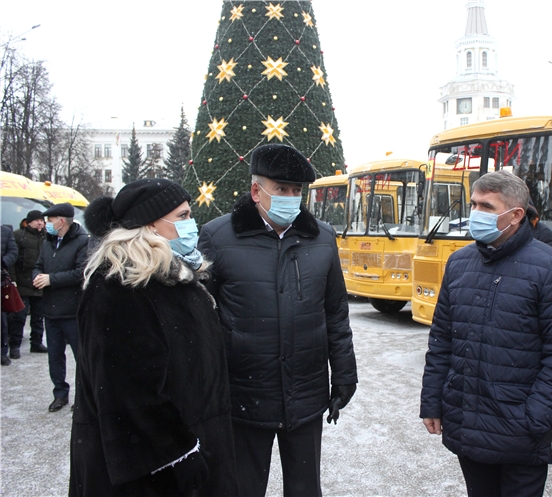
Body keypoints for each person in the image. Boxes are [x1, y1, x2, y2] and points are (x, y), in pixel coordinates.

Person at [198, 143, 358, 497]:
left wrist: (345, 376)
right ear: (257, 191)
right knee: (242, 488)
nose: (290, 197)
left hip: (306, 394)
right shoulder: (218, 237)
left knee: (304, 489)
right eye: (281, 189)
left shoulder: (322, 238)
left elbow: (335, 313)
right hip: (244, 396)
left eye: (296, 191)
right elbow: (202, 321)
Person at [420, 170, 552, 497]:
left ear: (516, 215)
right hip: (468, 429)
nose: (475, 214)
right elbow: (442, 341)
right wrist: (433, 403)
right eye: (473, 205)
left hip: (520, 438)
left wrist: (534, 421)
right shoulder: (458, 263)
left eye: (487, 206)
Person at [69, 178, 237, 496]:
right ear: (150, 225)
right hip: (150, 468)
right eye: (183, 216)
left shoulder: (174, 277)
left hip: (194, 440)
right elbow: (125, 388)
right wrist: (176, 453)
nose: (192, 224)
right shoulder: (119, 284)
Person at [32, 203, 89, 412]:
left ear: (61, 221)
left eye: (49, 220)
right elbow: (38, 265)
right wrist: (36, 277)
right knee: (54, 356)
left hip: (72, 310)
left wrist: (51, 280)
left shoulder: (83, 242)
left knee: (81, 357)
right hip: (51, 310)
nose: (46, 224)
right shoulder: (47, 243)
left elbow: (80, 273)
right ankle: (60, 393)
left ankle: (83, 397)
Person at [8, 210, 48, 358]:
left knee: (38, 316)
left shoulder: (47, 237)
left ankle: (36, 343)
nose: (40, 223)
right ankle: (14, 345)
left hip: (40, 281)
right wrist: (13, 281)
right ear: (29, 222)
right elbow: (13, 260)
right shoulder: (18, 235)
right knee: (19, 316)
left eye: (42, 220)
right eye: (37, 220)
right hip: (23, 282)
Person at [1, 224, 19, 366]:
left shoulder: (5, 232)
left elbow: (13, 252)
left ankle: (2, 352)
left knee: (2, 321)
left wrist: (2, 263)